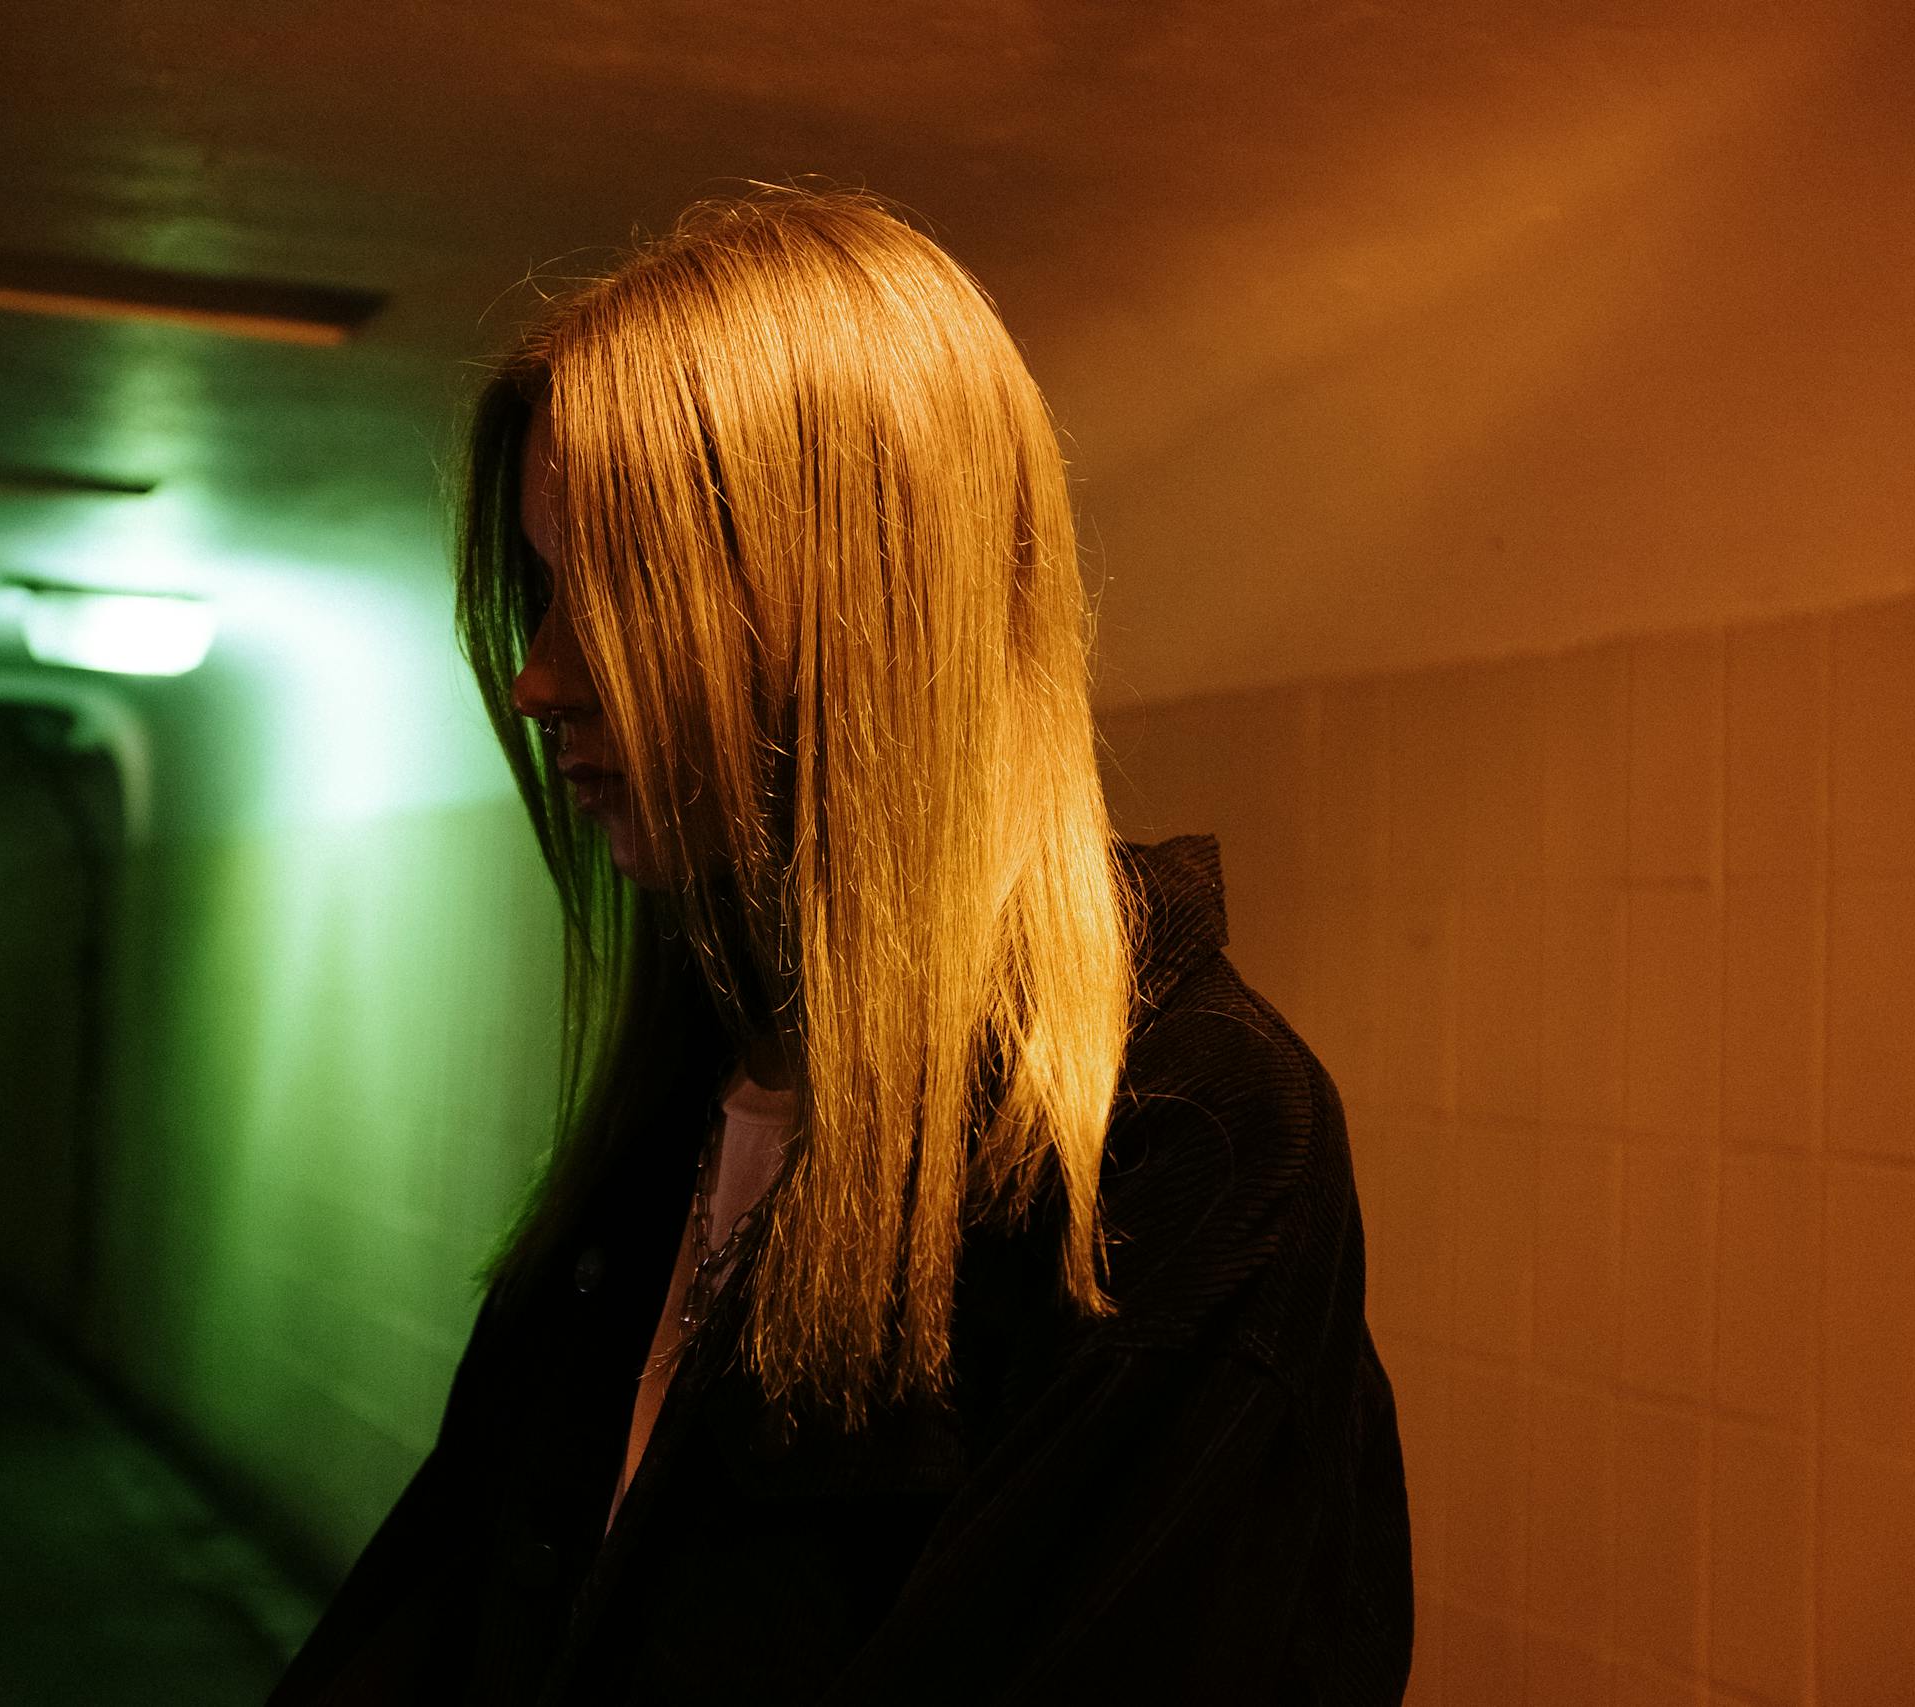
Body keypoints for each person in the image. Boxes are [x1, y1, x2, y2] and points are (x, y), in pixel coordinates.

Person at [268, 187, 1410, 1705]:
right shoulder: (693, 1088)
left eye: (613, 588)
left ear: (843, 605)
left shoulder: (1168, 1145)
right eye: (540, 596)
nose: (537, 683)